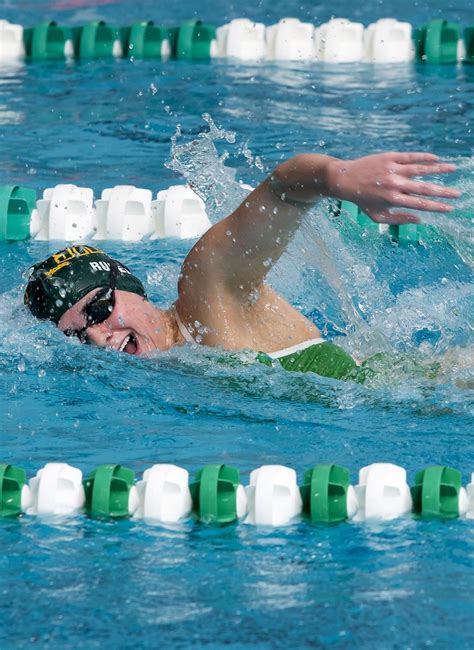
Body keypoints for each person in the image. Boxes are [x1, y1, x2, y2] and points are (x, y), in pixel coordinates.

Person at [24, 151, 460, 382]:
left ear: (130, 287)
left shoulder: (205, 296)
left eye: (98, 310)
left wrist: (337, 177)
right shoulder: (182, 366)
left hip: (443, 386)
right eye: (80, 337)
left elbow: (283, 191)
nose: (100, 337)